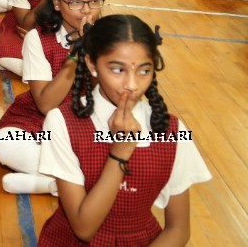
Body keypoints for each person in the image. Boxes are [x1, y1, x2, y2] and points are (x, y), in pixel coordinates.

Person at [37, 15, 211, 244]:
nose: (132, 84)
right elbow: (83, 228)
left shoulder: (171, 129)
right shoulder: (62, 121)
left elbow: (178, 229)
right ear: (91, 64)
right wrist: (120, 151)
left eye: (143, 70)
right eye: (118, 70)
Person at [0, 0, 99, 195]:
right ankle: (67, 183)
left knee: (134, 148)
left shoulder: (109, 38)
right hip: (41, 117)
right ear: (57, 3)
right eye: (75, 1)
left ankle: (49, 183)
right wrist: (75, 55)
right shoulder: (38, 38)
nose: (86, 10)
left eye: (93, 1)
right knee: (4, 144)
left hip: (86, 120)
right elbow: (45, 104)